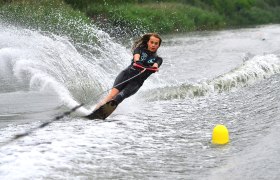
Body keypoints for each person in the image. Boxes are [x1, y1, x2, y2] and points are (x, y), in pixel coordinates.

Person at [95, 33, 163, 111]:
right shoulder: (138, 50)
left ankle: (104, 112)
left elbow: (155, 66)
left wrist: (152, 68)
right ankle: (94, 111)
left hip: (136, 83)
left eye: (156, 43)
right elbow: (136, 59)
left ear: (158, 46)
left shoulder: (158, 59)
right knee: (111, 96)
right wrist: (140, 64)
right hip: (126, 75)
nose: (153, 45)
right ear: (147, 42)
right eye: (151, 42)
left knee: (120, 97)